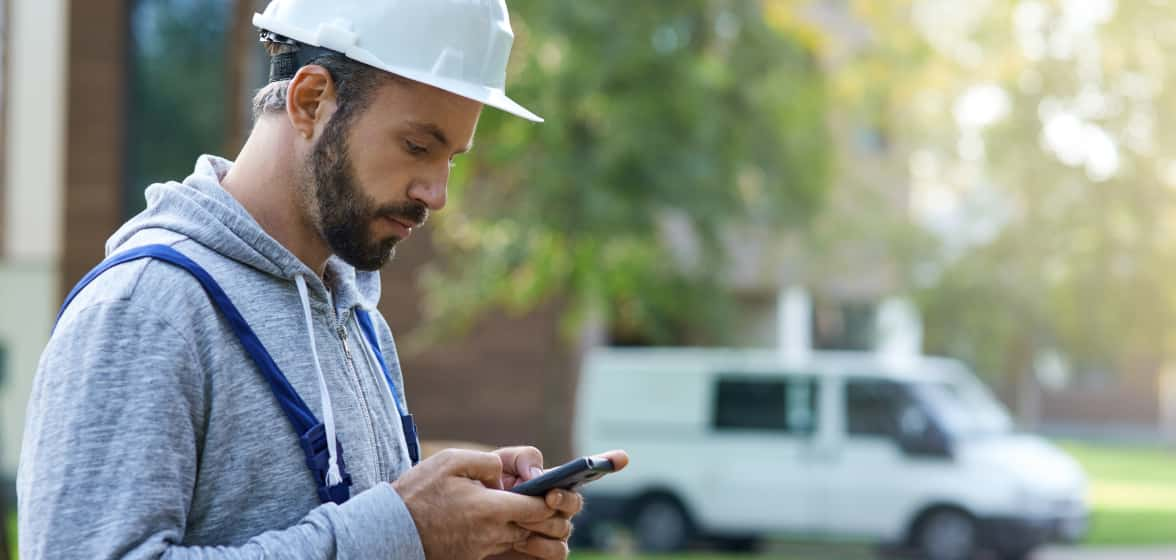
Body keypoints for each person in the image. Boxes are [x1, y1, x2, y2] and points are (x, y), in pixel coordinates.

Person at [16, 1, 627, 558]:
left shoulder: (359, 322)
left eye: (450, 160)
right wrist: (404, 530)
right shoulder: (145, 309)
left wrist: (467, 538)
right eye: (417, 145)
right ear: (311, 100)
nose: (436, 194)